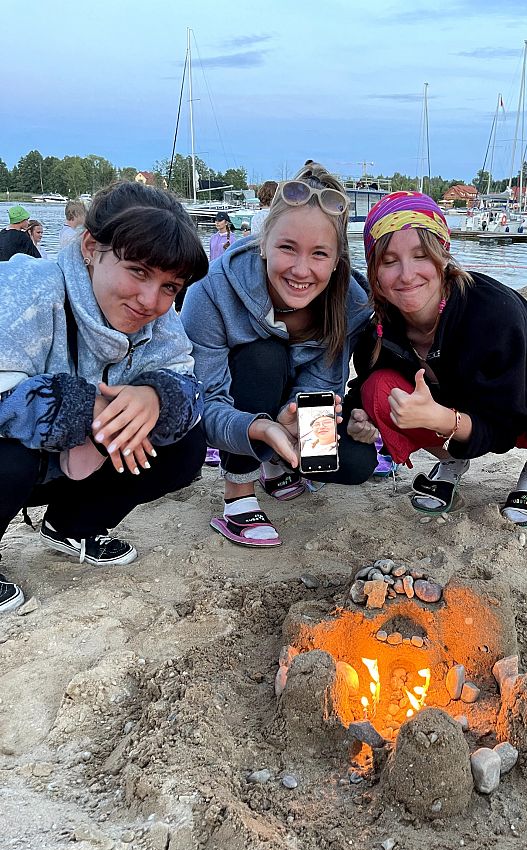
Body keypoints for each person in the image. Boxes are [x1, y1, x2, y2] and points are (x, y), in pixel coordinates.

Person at [343, 191, 527, 529]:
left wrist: (441, 418)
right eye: (389, 261)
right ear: (374, 272)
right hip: (464, 412)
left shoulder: (493, 309)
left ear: (443, 257)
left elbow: (504, 427)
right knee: (376, 389)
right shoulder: (378, 329)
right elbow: (361, 390)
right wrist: (359, 419)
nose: (406, 274)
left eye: (421, 255)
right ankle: (450, 462)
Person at [0, 181, 209, 612]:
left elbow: (188, 384)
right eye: (139, 271)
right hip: (20, 464)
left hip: (73, 463)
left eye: (170, 286)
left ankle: (72, 526)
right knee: (9, 458)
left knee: (186, 445)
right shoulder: (25, 288)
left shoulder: (159, 317)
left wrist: (156, 396)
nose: (150, 301)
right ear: (91, 247)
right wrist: (84, 406)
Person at [181, 162, 376, 548]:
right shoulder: (210, 291)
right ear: (263, 243)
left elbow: (324, 385)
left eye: (319, 254)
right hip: (235, 402)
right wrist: (263, 428)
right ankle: (239, 493)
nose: (301, 270)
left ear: (337, 259)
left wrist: (297, 425)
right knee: (263, 357)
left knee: (356, 464)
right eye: (287, 248)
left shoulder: (351, 303)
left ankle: (273, 464)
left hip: (289, 409)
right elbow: (204, 405)